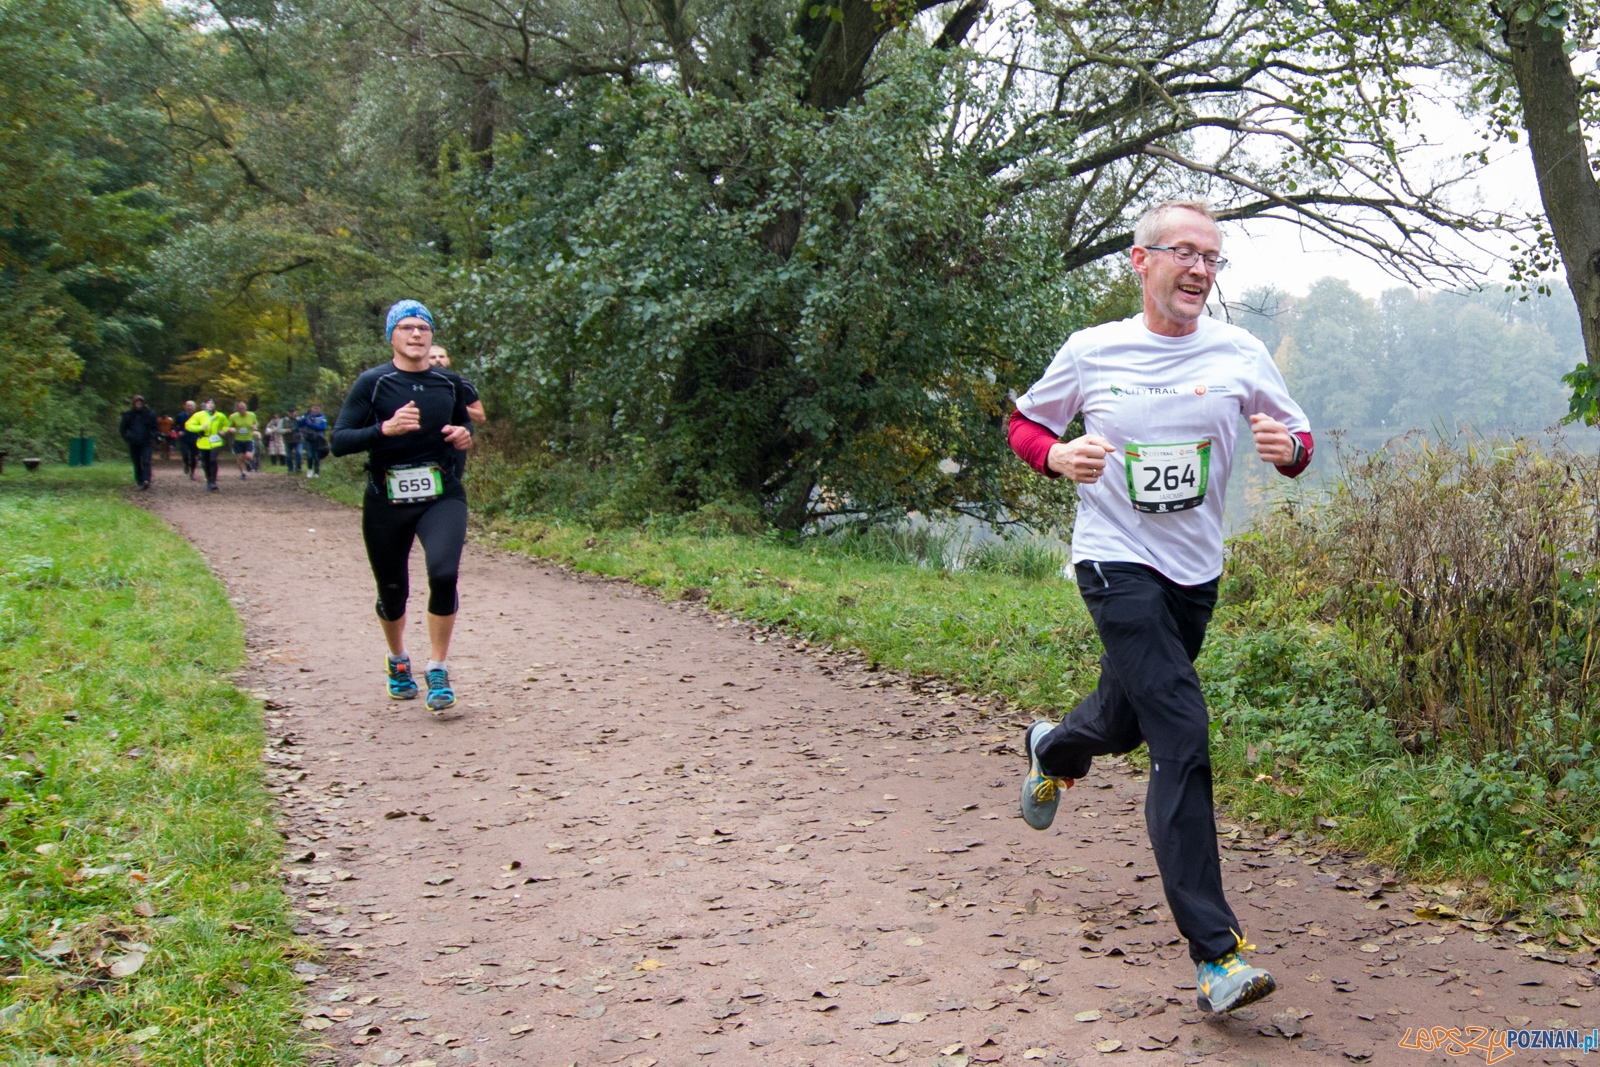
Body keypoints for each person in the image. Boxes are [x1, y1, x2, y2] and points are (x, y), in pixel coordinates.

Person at [1006, 200, 1313, 1016]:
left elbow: (1295, 431)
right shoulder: (1093, 349)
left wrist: (1291, 451)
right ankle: (1216, 954)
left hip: (1193, 575)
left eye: (1214, 258)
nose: (1202, 270)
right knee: (1179, 726)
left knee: (1126, 717)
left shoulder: (1240, 351)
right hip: (1112, 563)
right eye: (1185, 253)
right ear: (1141, 262)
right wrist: (1058, 454)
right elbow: (1025, 424)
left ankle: (1055, 748)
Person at [332, 299, 473, 711]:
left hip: (440, 494)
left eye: (423, 328)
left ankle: (437, 668)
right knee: (393, 591)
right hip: (386, 500)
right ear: (392, 335)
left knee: (443, 573)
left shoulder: (449, 384)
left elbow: (461, 424)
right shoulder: (373, 383)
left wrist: (464, 437)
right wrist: (384, 429)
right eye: (407, 327)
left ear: (431, 336)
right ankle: (397, 661)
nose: (416, 334)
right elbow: (339, 441)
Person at [427, 344, 485, 481]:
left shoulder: (462, 384)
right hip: (424, 443)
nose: (438, 360)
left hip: (453, 444)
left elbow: (480, 417)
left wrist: (452, 403)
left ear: (448, 360)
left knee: (451, 484)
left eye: (441, 356)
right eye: (433, 357)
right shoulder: (414, 384)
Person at [187, 399, 230, 491]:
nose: (211, 405)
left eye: (212, 403)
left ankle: (213, 482)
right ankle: (209, 479)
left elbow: (226, 424)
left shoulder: (220, 416)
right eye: (208, 403)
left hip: (216, 441)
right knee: (205, 462)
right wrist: (200, 428)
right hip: (204, 441)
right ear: (205, 405)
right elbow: (188, 425)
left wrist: (223, 431)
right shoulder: (199, 415)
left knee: (213, 460)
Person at [118, 395, 158, 490]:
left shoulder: (150, 414)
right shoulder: (128, 415)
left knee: (146, 461)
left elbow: (155, 428)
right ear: (134, 403)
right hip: (134, 442)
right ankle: (139, 481)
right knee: (137, 462)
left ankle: (146, 480)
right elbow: (122, 429)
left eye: (140, 402)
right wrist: (127, 437)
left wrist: (152, 436)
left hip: (146, 442)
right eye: (137, 401)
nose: (139, 403)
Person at [228, 400, 258, 480]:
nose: (242, 411)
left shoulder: (252, 415)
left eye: (243, 409)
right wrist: (231, 429)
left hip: (248, 439)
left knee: (249, 456)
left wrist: (254, 427)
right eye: (240, 409)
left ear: (246, 408)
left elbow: (255, 423)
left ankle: (247, 462)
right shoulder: (233, 416)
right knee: (240, 457)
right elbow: (228, 426)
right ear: (238, 409)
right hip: (238, 440)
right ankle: (242, 473)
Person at [298, 404, 327, 478]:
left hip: (319, 439)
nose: (315, 410)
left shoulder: (322, 417)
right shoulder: (307, 416)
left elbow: (323, 427)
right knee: (310, 455)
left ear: (320, 409)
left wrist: (310, 425)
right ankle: (310, 469)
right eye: (313, 408)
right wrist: (304, 417)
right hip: (309, 438)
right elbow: (300, 424)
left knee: (317, 456)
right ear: (311, 408)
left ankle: (316, 472)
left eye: (317, 408)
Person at [177, 400, 200, 479]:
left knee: (194, 456)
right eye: (188, 406)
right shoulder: (180, 416)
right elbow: (175, 426)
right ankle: (186, 463)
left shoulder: (198, 416)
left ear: (194, 407)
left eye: (191, 406)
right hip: (184, 438)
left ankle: (192, 472)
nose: (189, 407)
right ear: (185, 407)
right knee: (185, 453)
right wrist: (178, 431)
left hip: (195, 438)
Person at [282, 405, 303, 474]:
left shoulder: (299, 419)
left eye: (293, 412)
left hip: (298, 440)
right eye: (290, 412)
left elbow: (305, 427)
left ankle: (298, 468)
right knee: (288, 455)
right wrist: (286, 430)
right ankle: (290, 469)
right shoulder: (283, 420)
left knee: (299, 453)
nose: (292, 413)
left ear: (295, 412)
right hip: (288, 440)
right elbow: (278, 430)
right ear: (287, 413)